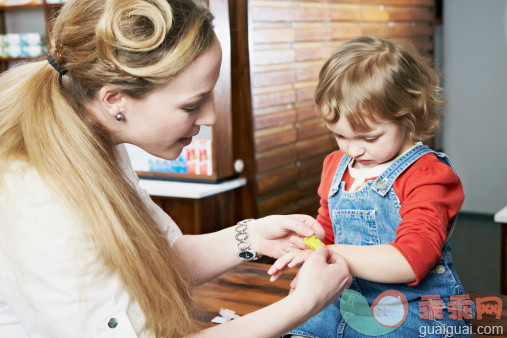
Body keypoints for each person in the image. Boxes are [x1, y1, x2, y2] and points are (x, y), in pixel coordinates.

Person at [0, 0, 353, 336]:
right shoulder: (37, 200)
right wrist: (305, 303)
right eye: (192, 105)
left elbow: (156, 260)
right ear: (114, 100)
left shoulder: (96, 140)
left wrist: (254, 236)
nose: (211, 117)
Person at [268, 36, 471, 337]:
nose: (352, 150)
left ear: (407, 114)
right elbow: (330, 229)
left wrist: (333, 253)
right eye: (339, 135)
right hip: (348, 296)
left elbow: (412, 260)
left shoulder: (427, 174)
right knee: (298, 323)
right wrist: (313, 243)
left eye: (369, 138)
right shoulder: (336, 165)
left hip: (415, 305)